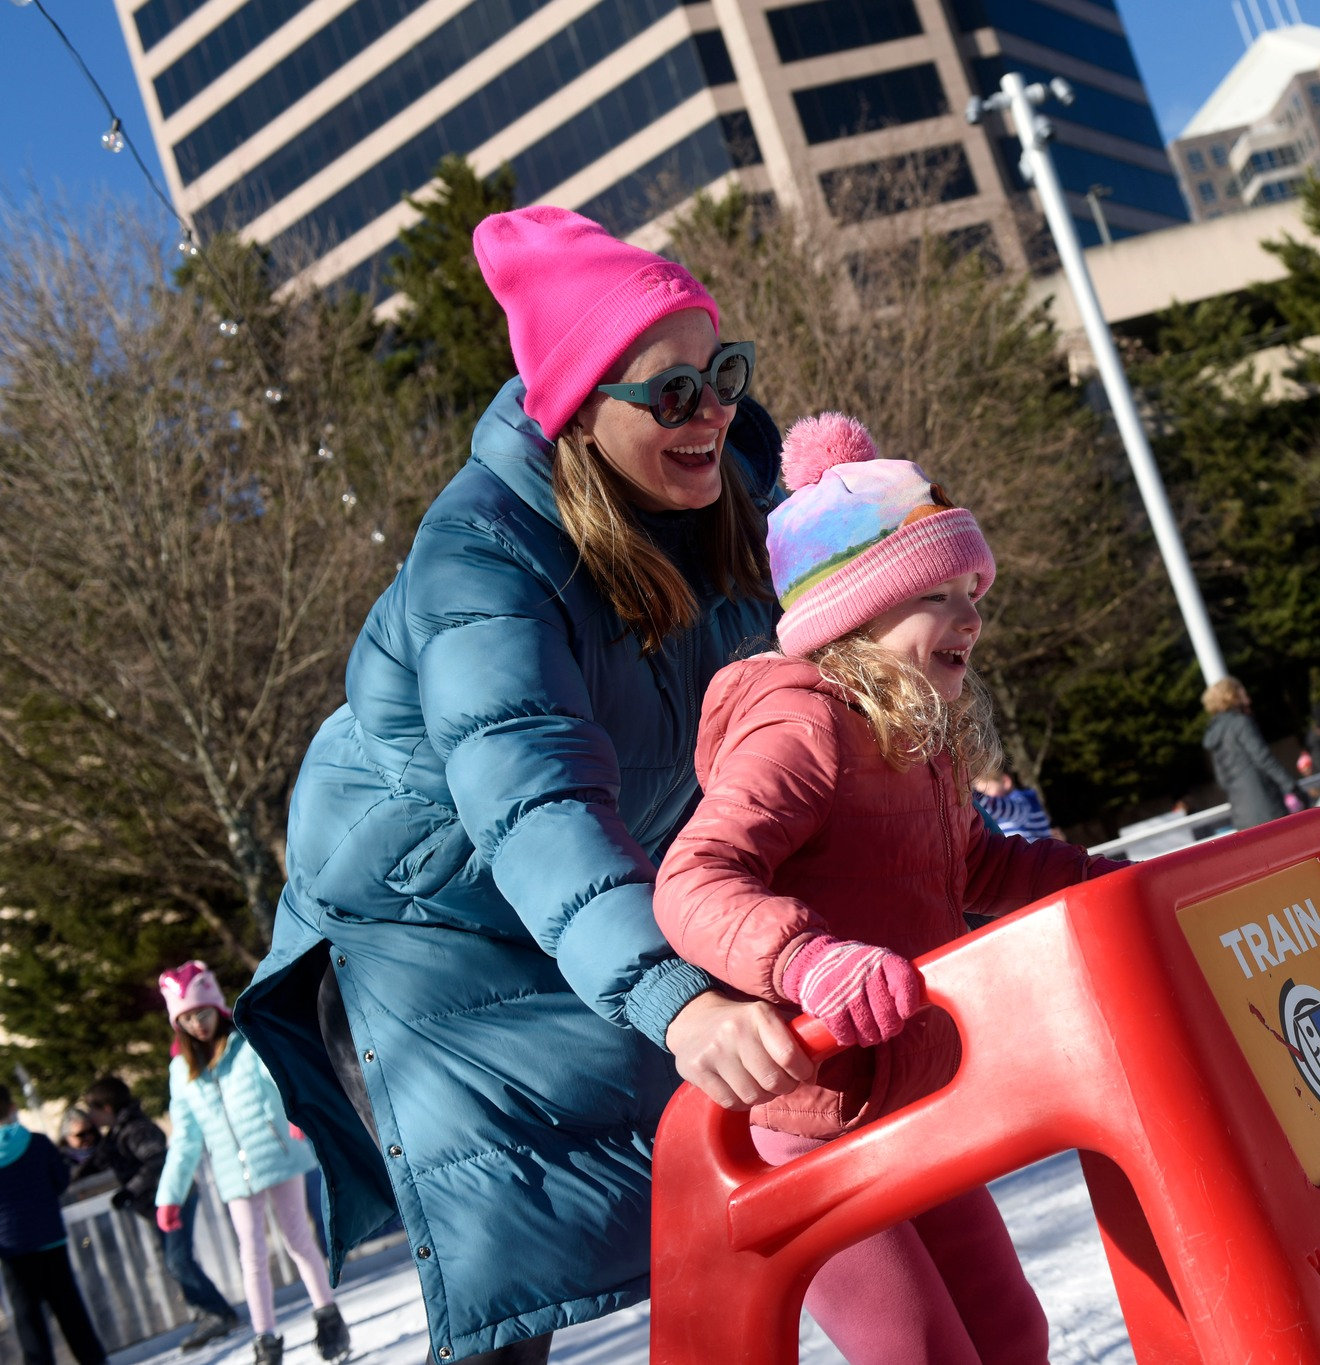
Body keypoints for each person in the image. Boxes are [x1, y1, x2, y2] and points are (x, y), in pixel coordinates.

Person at [232, 209, 812, 1365]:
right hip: (418, 927)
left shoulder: (730, 493)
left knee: (762, 1185)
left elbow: (825, 684)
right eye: (672, 395)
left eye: (722, 375)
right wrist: (676, 1000)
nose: (713, 415)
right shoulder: (482, 564)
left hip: (586, 899)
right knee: (516, 1266)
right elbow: (531, 795)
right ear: (577, 408)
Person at [655, 412, 1120, 1364]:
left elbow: (973, 868)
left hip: (905, 1091)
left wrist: (1099, 885)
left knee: (1011, 1331)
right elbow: (693, 877)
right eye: (936, 594)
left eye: (972, 589)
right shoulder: (802, 727)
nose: (970, 615)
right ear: (856, 617)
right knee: (919, 1349)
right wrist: (808, 961)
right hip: (804, 1119)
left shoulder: (916, 736)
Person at [155, 964, 349, 1365]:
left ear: (217, 1008)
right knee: (252, 1254)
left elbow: (281, 1079)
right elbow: (186, 1137)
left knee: (298, 1239)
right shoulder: (182, 1071)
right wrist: (169, 1195)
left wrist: (299, 1118)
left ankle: (328, 1317)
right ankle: (266, 1340)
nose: (198, 1024)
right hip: (232, 1172)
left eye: (202, 1013)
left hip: (277, 1156)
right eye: (187, 1018)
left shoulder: (245, 1043)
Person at [78, 1076, 238, 1352]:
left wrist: (130, 1190)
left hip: (175, 1198)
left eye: (93, 1110)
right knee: (172, 1260)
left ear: (106, 1108)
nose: (91, 1118)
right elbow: (94, 1164)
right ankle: (204, 1310)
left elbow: (156, 1160)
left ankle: (217, 1312)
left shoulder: (137, 1130)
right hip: (157, 1205)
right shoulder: (116, 1134)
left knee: (177, 1261)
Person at [0, 1084, 104, 1365]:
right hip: (49, 1238)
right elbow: (60, 1180)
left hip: (12, 1250)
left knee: (28, 1321)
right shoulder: (37, 1143)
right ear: (12, 1108)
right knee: (71, 1312)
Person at [1200, 677, 1297, 831]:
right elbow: (1263, 758)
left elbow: (1222, 780)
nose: (1247, 696)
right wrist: (1291, 785)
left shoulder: (1214, 733)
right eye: (1241, 691)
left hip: (1240, 813)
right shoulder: (1240, 723)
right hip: (1265, 804)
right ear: (1231, 695)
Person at [972, 771, 1060, 842]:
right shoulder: (1000, 815)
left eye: (986, 790)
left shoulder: (1022, 804)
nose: (986, 795)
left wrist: (971, 793)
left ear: (1005, 782)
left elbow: (994, 806)